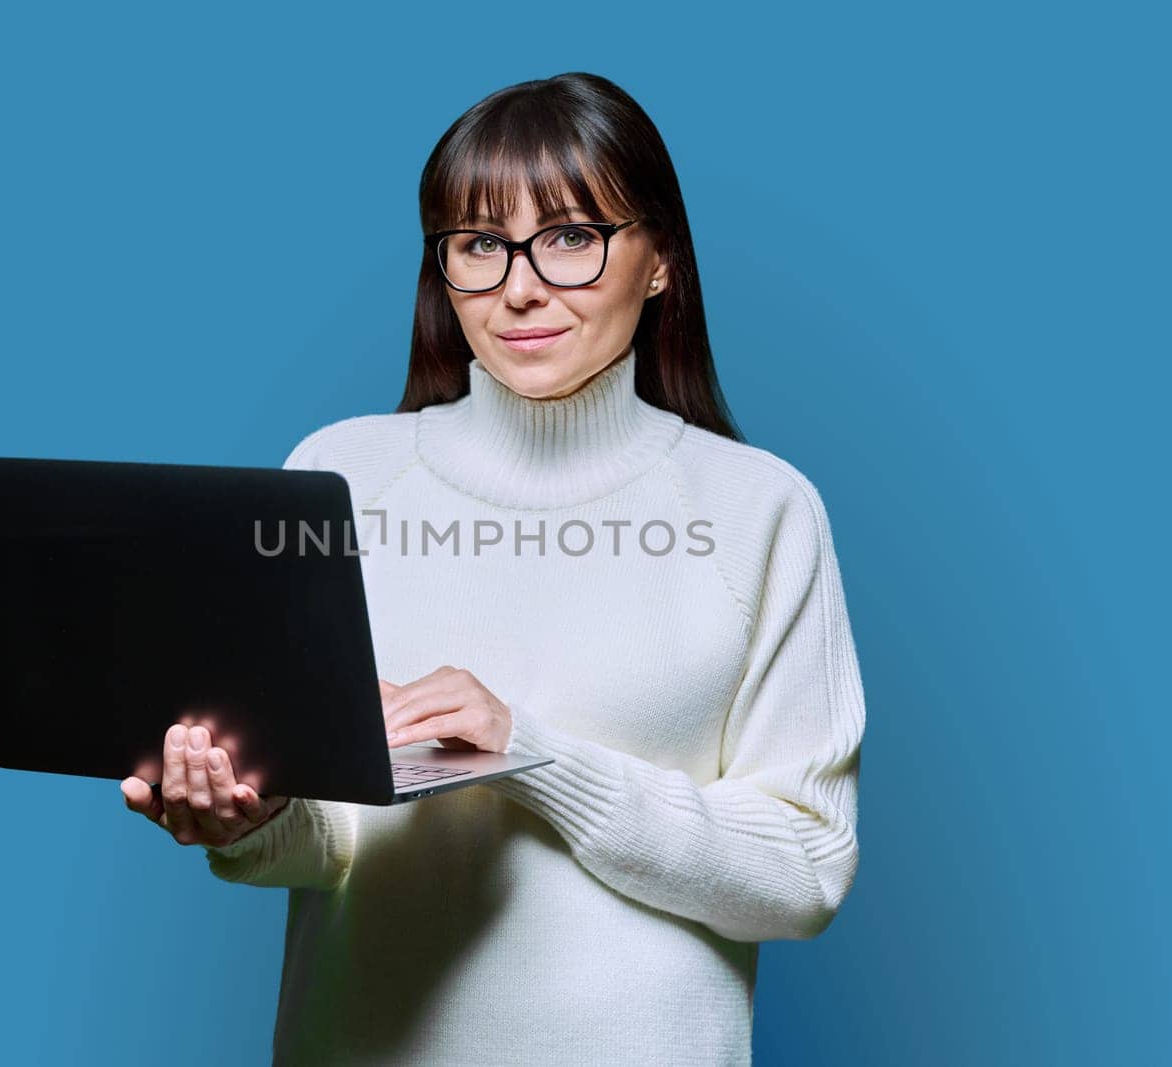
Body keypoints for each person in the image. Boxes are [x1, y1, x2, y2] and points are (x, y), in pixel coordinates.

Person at [121, 71, 866, 1065]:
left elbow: (804, 870)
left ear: (659, 263)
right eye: (479, 244)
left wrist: (531, 753)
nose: (519, 286)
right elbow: (331, 844)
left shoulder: (757, 509)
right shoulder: (338, 476)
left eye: (569, 236)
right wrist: (244, 818)